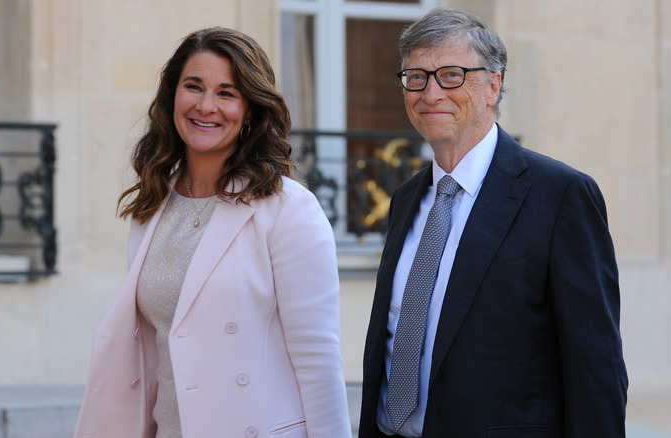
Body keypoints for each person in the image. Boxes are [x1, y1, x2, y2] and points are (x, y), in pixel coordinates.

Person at [359, 8, 628, 438]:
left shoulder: (560, 195)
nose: (431, 93)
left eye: (452, 75)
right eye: (417, 77)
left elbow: (595, 368)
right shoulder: (406, 199)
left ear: (493, 86)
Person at [73, 27, 352, 438]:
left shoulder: (288, 209)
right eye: (194, 87)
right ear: (172, 96)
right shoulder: (152, 206)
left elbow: (318, 359)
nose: (206, 106)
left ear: (250, 110)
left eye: (226, 93)